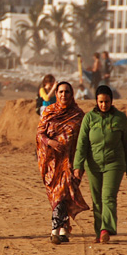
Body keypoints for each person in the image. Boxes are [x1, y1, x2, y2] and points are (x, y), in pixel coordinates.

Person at [73, 84, 127, 244]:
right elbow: (82, 143)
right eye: (100, 102)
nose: (103, 105)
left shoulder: (120, 118)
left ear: (111, 101)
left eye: (106, 102)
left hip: (114, 163)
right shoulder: (89, 118)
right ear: (96, 101)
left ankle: (105, 229)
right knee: (97, 199)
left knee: (108, 197)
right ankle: (98, 231)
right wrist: (78, 165)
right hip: (93, 164)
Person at [36, 81, 89, 245]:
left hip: (72, 162)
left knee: (64, 194)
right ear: (56, 94)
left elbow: (84, 140)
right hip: (52, 161)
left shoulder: (79, 115)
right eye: (60, 92)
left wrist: (81, 164)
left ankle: (57, 231)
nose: (63, 95)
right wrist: (50, 143)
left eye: (67, 92)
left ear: (71, 94)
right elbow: (39, 134)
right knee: (58, 194)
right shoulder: (49, 112)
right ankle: (62, 229)